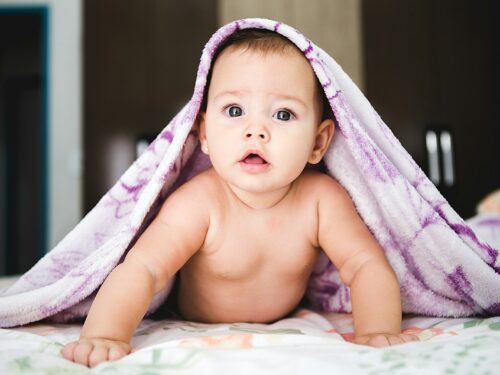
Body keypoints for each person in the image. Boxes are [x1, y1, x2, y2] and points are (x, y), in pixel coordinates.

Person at [62, 29, 418, 367]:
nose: (256, 131)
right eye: (234, 111)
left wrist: (378, 332)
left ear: (317, 143)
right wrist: (106, 334)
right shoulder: (199, 202)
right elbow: (145, 269)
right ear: (203, 133)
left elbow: (365, 265)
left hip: (289, 316)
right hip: (194, 318)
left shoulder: (321, 200)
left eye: (283, 114)